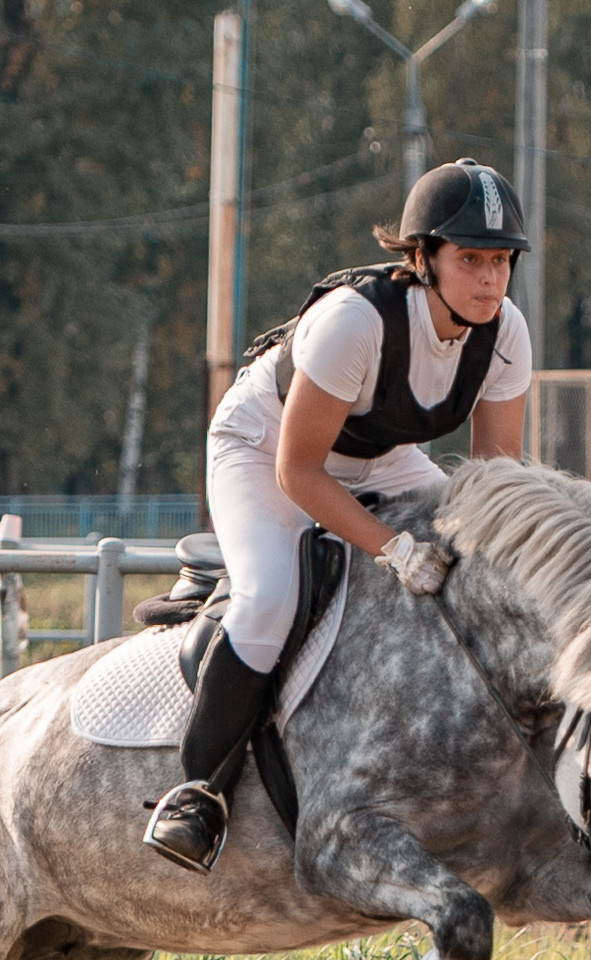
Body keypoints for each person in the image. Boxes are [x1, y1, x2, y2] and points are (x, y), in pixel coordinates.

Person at [144, 158, 534, 873]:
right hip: (265, 446)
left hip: (382, 456)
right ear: (421, 258)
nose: (489, 278)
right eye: (470, 259)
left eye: (501, 261)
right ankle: (197, 792)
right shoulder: (354, 321)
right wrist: (394, 550)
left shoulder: (503, 331)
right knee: (271, 596)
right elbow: (299, 472)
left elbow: (492, 478)